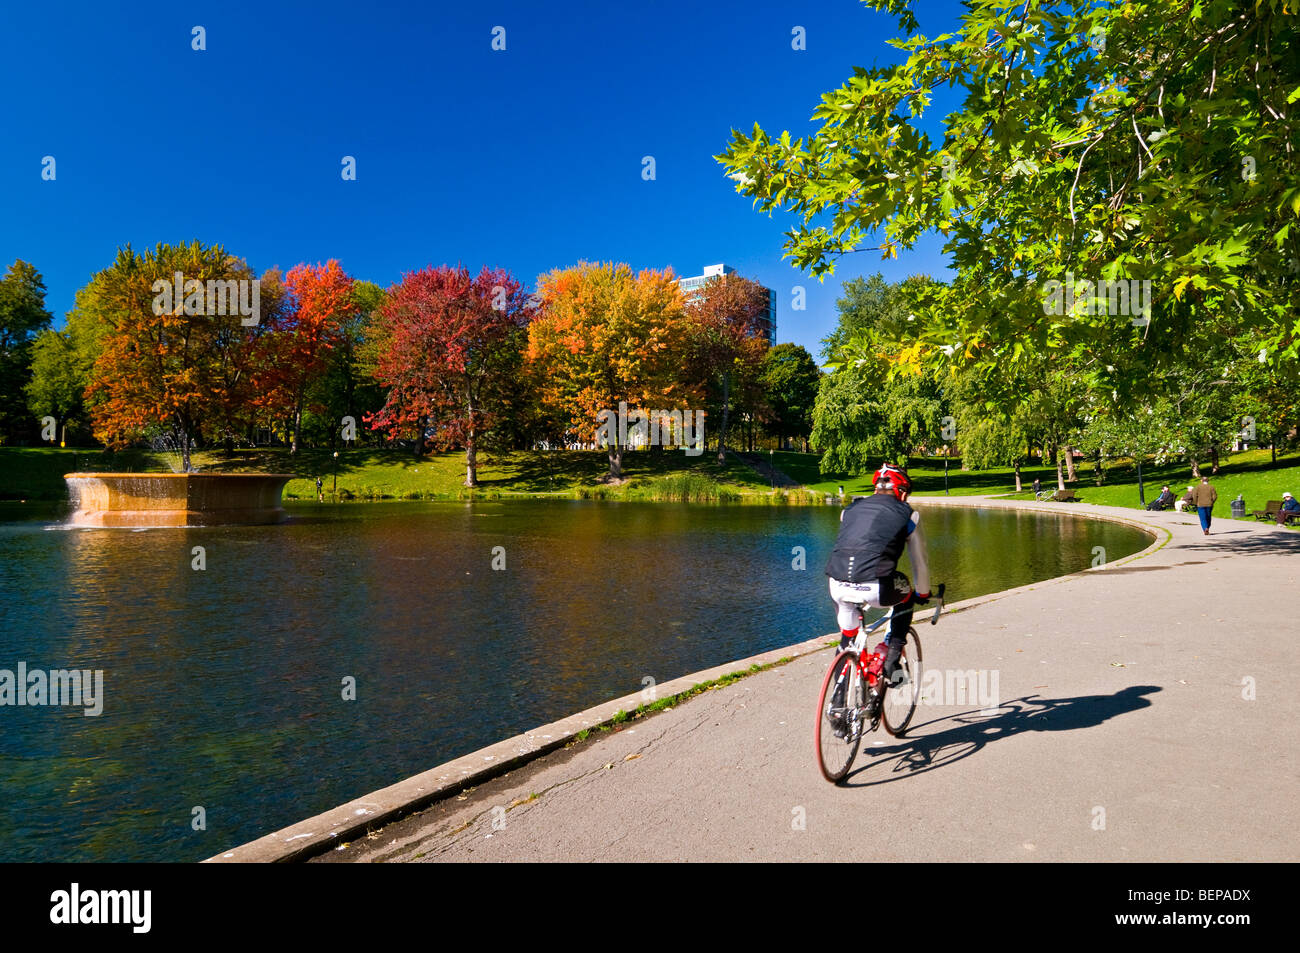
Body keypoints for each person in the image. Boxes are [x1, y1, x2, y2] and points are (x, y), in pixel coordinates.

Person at [826, 463, 932, 706]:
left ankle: (837, 705)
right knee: (906, 593)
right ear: (903, 492)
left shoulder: (849, 511)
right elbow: (920, 564)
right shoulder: (908, 514)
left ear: (875, 488)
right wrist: (923, 593)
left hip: (837, 583)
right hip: (876, 586)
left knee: (847, 639)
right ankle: (892, 656)